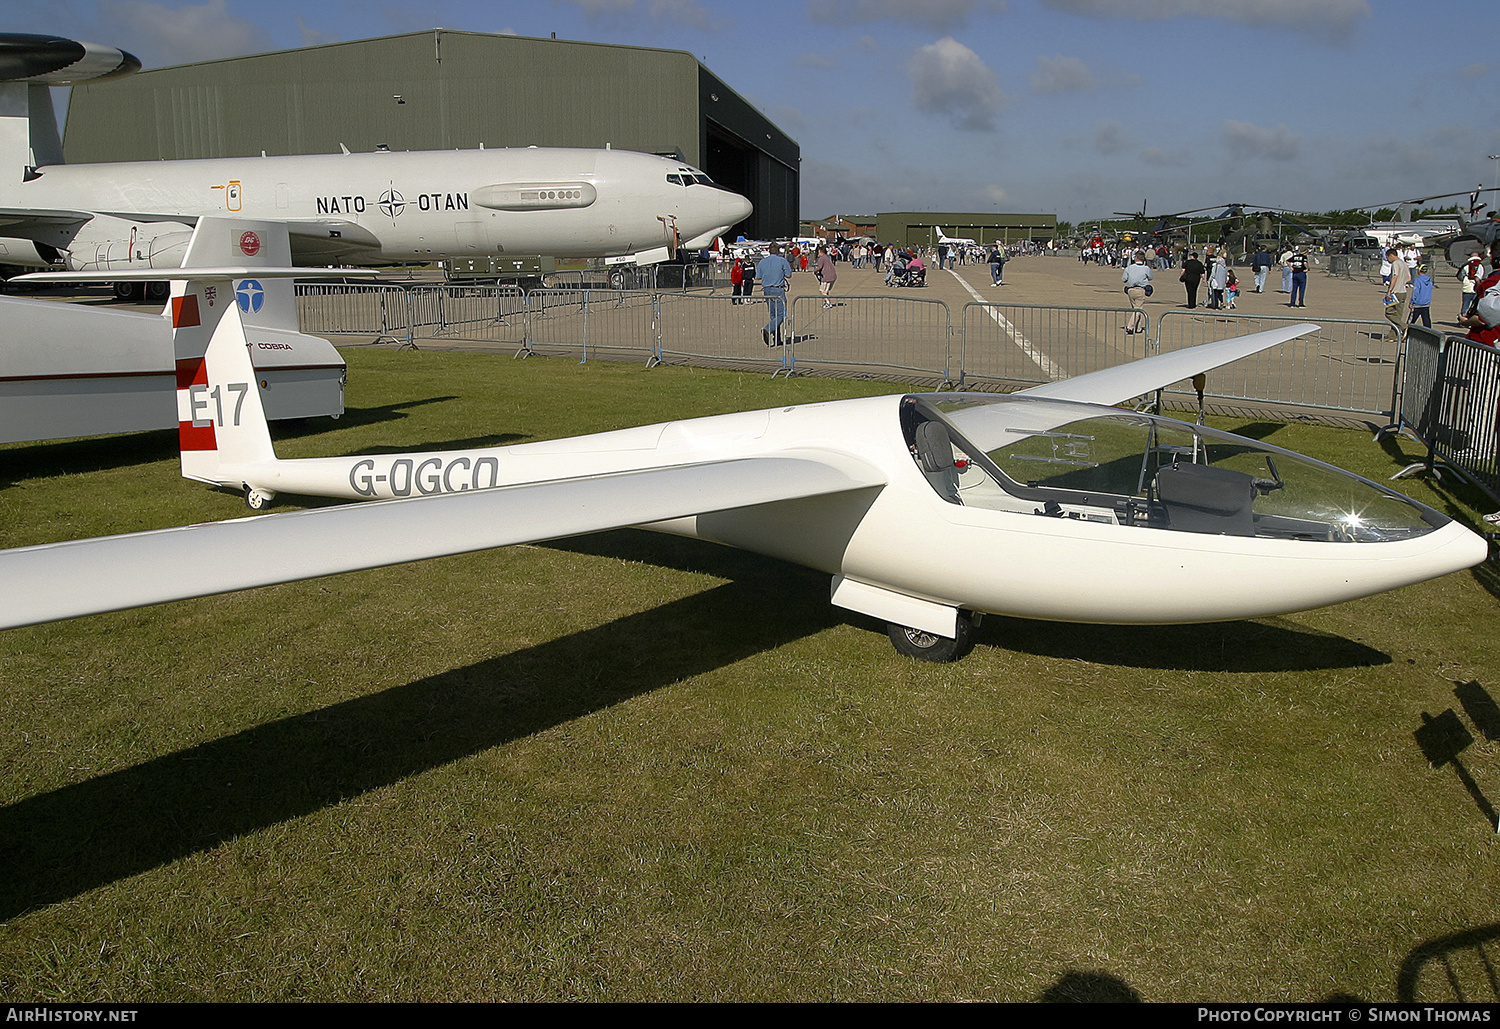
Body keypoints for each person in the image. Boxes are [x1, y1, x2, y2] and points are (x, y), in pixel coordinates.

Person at [756, 243, 794, 346]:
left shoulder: (762, 262)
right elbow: (789, 275)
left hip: (767, 290)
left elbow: (758, 277)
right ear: (778, 251)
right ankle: (768, 329)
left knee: (773, 316)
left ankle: (777, 338)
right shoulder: (782, 261)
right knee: (781, 315)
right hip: (777, 289)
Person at [1121, 250, 1152, 334]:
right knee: (1138, 309)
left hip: (1131, 290)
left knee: (1137, 309)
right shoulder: (1146, 268)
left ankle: (1138, 328)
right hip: (1141, 290)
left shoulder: (1129, 268)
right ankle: (1130, 326)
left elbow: (1124, 279)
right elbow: (1150, 277)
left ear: (1136, 258)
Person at [1382, 247, 1410, 340]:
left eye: (1387, 257)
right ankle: (1393, 335)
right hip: (1403, 291)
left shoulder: (1396, 263)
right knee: (1397, 315)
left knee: (1389, 312)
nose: (1388, 260)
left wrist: (1389, 290)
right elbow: (1409, 278)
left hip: (1396, 292)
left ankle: (1404, 326)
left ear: (1391, 255)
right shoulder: (1404, 264)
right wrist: (1402, 282)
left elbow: (1395, 276)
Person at [1458, 250, 1485, 321]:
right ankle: (1471, 319)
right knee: (1474, 305)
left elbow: (1460, 276)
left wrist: (1465, 280)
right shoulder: (1480, 266)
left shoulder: (1466, 266)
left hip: (1467, 287)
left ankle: (1463, 318)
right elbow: (1479, 278)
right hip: (1475, 289)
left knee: (1465, 304)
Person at [1408, 263, 1433, 329]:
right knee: (1427, 321)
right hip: (1426, 303)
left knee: (1411, 321)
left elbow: (1415, 292)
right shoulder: (1429, 281)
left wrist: (1412, 301)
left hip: (1417, 304)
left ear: (1419, 270)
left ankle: (1406, 334)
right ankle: (1429, 334)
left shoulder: (1418, 280)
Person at [814, 244, 838, 308]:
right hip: (833, 276)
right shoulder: (827, 257)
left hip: (827, 277)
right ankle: (826, 301)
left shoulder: (822, 258)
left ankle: (828, 302)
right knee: (826, 291)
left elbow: (819, 267)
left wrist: (815, 271)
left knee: (822, 291)